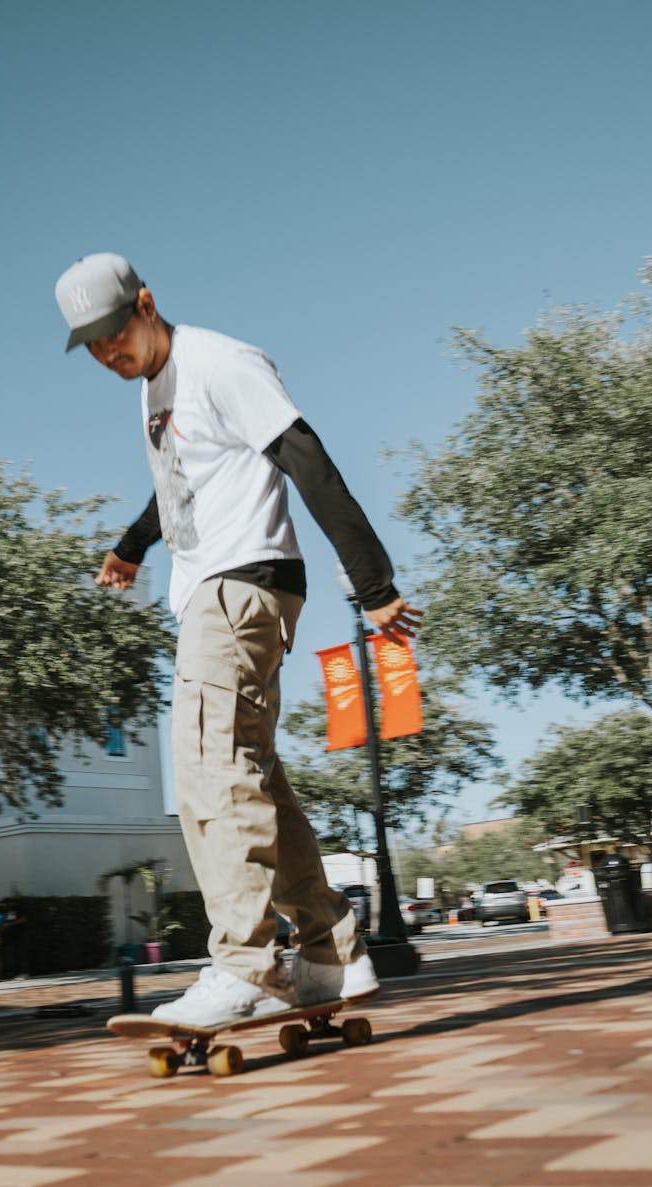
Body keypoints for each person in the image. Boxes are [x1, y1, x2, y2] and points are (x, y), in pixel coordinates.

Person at [55, 252, 423, 1027]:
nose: (106, 354)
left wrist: (374, 583)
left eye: (113, 333)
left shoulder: (221, 363)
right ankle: (330, 954)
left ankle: (245, 965)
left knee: (208, 770)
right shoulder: (157, 388)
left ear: (147, 303)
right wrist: (132, 545)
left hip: (238, 584)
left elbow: (307, 460)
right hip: (218, 586)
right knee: (252, 775)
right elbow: (181, 483)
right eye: (89, 345)